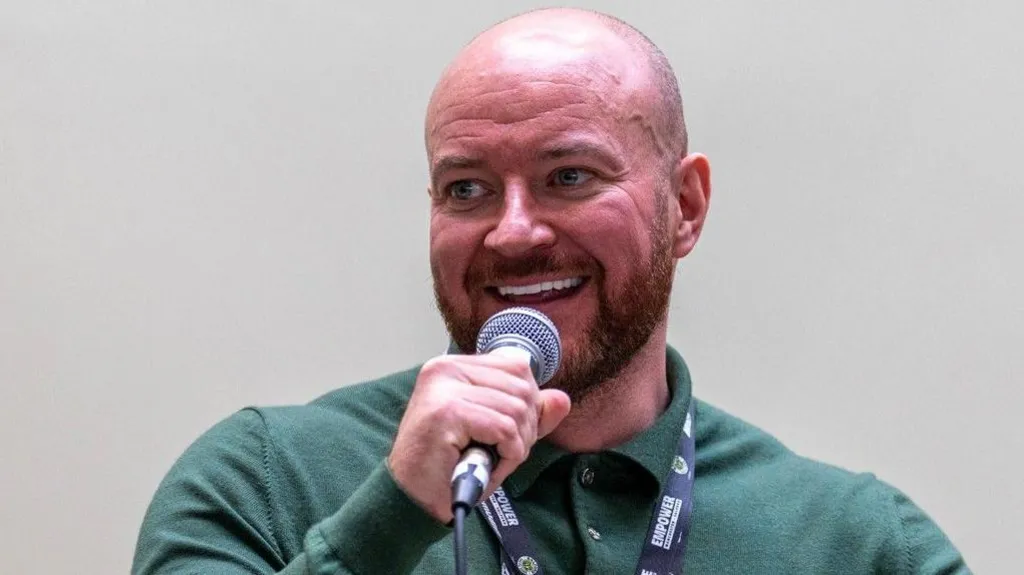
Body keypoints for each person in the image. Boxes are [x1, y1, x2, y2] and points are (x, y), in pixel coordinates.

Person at [132, 7, 968, 574]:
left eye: (569, 176)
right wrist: (393, 514)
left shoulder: (856, 541)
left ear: (685, 206)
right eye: (466, 189)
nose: (513, 232)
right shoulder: (265, 479)